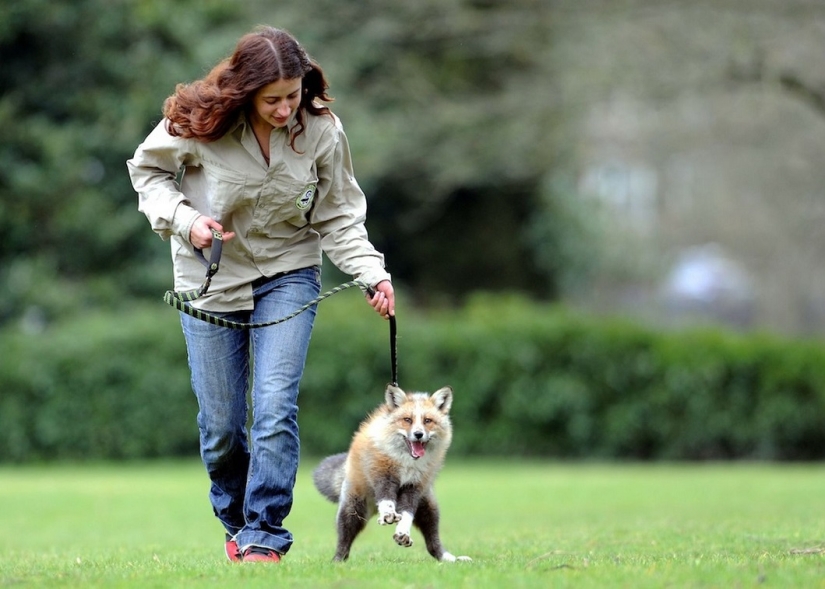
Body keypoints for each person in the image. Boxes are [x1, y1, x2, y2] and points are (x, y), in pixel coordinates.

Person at [127, 26, 394, 563]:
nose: (284, 109)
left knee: (274, 405)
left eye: (292, 95)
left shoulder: (321, 130)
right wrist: (186, 221)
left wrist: (372, 272)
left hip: (289, 272)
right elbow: (148, 173)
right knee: (221, 426)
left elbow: (339, 214)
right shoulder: (200, 122)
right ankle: (237, 520)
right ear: (245, 92)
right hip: (211, 278)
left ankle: (264, 532)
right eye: (272, 99)